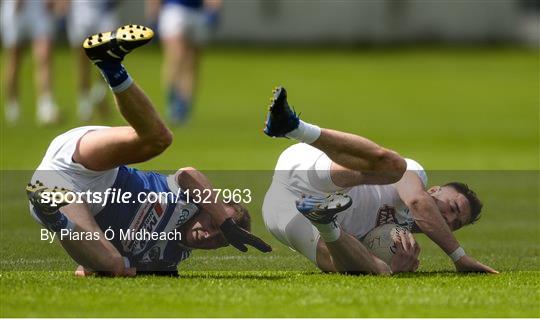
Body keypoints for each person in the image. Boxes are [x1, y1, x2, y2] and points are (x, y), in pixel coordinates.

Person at [26, 25, 271, 277]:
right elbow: (189, 174)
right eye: (212, 224)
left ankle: (52, 213)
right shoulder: (186, 200)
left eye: (219, 240)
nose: (208, 234)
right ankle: (110, 64)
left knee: (115, 266)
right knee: (158, 139)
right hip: (97, 171)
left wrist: (98, 262)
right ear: (207, 210)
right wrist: (226, 223)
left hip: (68, 200)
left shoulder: (167, 261)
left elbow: (85, 269)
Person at [262, 86, 498, 275]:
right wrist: (459, 256)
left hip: (282, 209)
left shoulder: (402, 241)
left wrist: (392, 265)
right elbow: (417, 201)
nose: (449, 218)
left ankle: (325, 221)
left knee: (371, 269)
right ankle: (296, 128)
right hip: (308, 170)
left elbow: (359, 258)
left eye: (455, 223)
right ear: (435, 190)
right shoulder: (417, 178)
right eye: (453, 207)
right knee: (395, 167)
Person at [146, 0, 221, 123]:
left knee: (192, 64)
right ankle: (172, 101)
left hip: (198, 12)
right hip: (174, 10)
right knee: (176, 57)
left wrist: (213, 10)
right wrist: (153, 14)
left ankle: (184, 107)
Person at [1, 0, 60, 125]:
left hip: (39, 6)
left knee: (44, 55)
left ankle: (45, 106)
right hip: (15, 6)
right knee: (14, 59)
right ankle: (12, 104)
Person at [65, 0, 120, 121]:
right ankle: (84, 104)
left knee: (111, 54)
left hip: (105, 10)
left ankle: (98, 93)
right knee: (82, 61)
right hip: (80, 10)